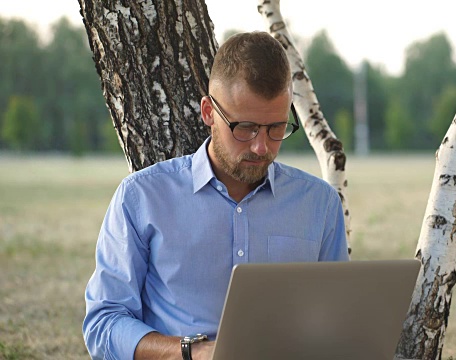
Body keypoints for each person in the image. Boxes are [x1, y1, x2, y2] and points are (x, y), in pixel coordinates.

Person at [83, 31, 350, 360]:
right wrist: (191, 353)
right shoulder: (142, 198)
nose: (261, 147)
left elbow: (338, 325)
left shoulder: (319, 204)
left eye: (276, 128)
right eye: (245, 127)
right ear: (209, 112)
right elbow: (103, 323)